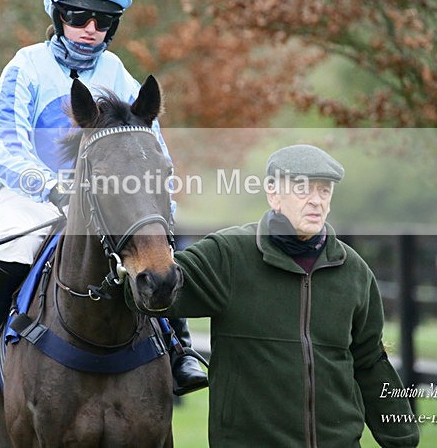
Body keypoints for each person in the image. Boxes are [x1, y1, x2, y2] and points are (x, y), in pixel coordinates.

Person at [0, 0, 208, 407]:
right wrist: (48, 186)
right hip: (34, 196)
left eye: (104, 19)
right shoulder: (25, 65)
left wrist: (159, 201)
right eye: (79, 16)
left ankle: (180, 349)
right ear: (58, 16)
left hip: (107, 201)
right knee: (14, 244)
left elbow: (153, 148)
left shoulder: (119, 74)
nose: (91, 27)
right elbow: (4, 138)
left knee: (161, 243)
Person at [129, 145, 421, 447]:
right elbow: (150, 287)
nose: (316, 201)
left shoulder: (353, 271)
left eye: (324, 191)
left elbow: (370, 360)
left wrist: (402, 439)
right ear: (273, 193)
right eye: (303, 189)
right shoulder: (228, 255)